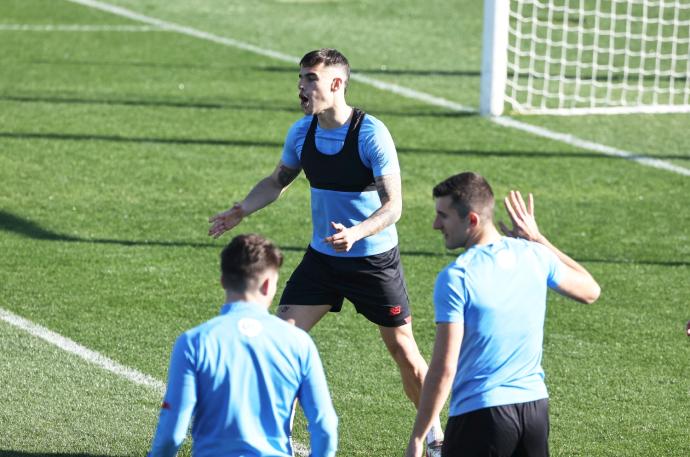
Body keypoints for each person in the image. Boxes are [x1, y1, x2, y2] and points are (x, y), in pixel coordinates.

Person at [208, 48, 444, 455]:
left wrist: (357, 233)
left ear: (336, 84)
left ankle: (437, 434)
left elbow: (394, 207)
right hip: (323, 260)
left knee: (403, 349)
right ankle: (273, 440)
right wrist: (241, 210)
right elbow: (277, 180)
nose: (301, 87)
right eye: (300, 78)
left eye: (310, 79)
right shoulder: (302, 132)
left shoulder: (371, 134)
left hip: (373, 261)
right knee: (281, 342)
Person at [405, 172, 601, 457]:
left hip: (480, 416)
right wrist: (538, 239)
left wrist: (418, 436)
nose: (436, 225)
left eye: (443, 216)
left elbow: (444, 368)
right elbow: (591, 290)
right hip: (534, 411)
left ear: (471, 220)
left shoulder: (457, 277)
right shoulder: (535, 255)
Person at [148, 234, 337, 457]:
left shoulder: (194, 342)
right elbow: (325, 426)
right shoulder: (298, 343)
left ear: (223, 281)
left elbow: (172, 433)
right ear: (268, 285)